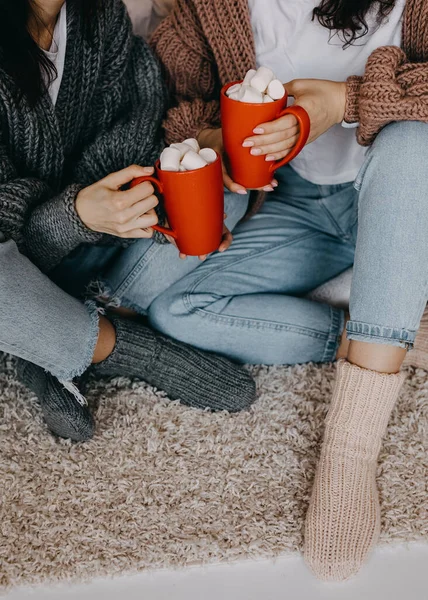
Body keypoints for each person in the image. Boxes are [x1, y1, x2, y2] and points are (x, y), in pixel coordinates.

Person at [146, 0, 428, 581]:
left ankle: (349, 453)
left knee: (410, 145)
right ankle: (389, 332)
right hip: (300, 204)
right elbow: (185, 102)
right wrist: (212, 143)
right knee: (177, 310)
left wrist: (344, 102)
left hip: (405, 189)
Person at [0, 0, 256, 442]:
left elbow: (136, 122)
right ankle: (117, 347)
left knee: (218, 191)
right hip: (17, 258)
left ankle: (51, 332)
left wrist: (127, 201)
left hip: (93, 238)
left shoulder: (100, 17)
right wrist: (75, 214)